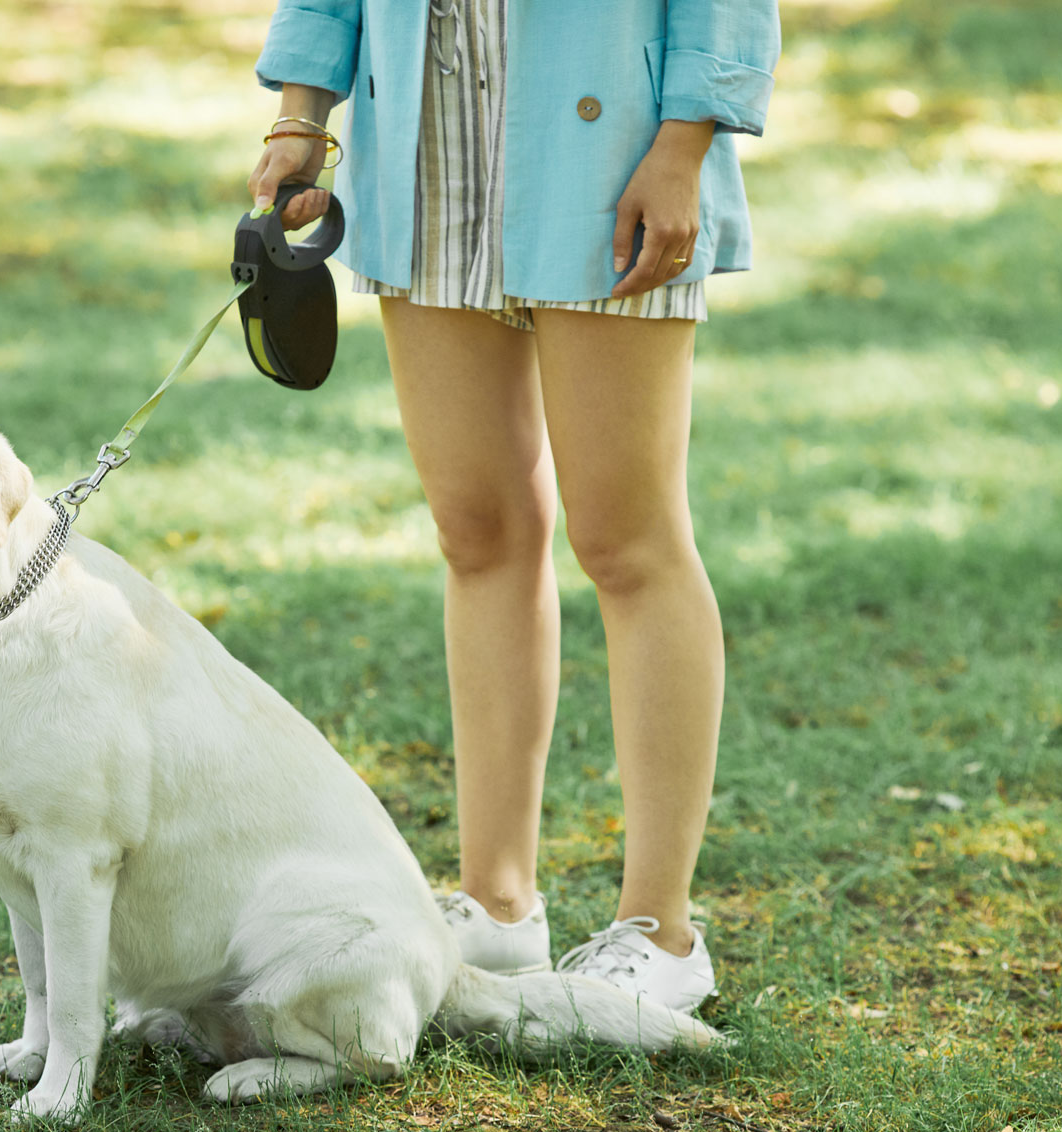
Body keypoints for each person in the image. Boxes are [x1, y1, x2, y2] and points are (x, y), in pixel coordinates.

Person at [249, 0, 779, 1012]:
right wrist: (300, 117)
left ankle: (660, 933)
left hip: (614, 150)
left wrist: (684, 144)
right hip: (420, 152)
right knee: (477, 532)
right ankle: (497, 908)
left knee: (628, 543)